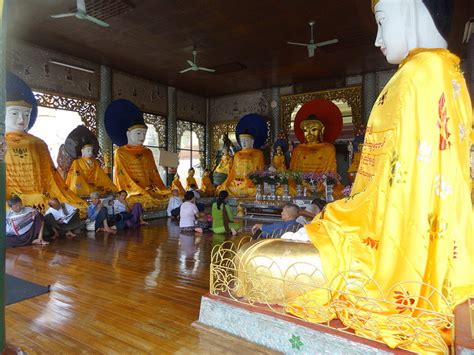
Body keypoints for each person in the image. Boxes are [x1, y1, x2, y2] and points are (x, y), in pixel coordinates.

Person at [282, 1, 473, 351]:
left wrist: (332, 225)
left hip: (395, 253)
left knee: (263, 262)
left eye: (383, 22)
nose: (377, 40)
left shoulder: (423, 75)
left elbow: (407, 197)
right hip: (382, 232)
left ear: (413, 10)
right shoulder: (439, 73)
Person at [5, 73, 87, 215]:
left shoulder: (38, 143)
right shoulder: (2, 142)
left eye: (26, 114)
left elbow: (51, 177)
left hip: (41, 195)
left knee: (75, 207)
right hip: (12, 199)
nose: (21, 119)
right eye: (14, 113)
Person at [105, 99, 170, 210]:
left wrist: (154, 189)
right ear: (128, 134)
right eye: (138, 133)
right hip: (132, 190)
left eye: (144, 133)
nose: (142, 137)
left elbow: (154, 175)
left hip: (151, 188)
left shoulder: (147, 152)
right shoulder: (121, 152)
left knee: (171, 196)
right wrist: (139, 190)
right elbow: (123, 177)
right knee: (138, 200)